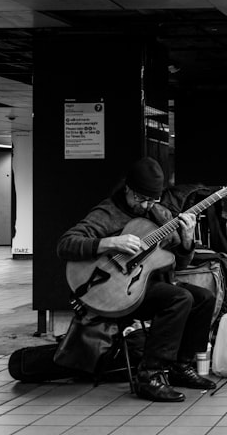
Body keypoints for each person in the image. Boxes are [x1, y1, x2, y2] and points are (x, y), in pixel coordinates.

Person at [56, 157, 217, 402]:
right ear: (128, 189)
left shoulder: (160, 214)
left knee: (204, 297)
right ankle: (149, 377)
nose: (146, 206)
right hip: (116, 291)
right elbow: (65, 245)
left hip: (145, 284)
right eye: (141, 199)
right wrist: (109, 242)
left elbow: (178, 263)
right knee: (179, 298)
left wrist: (186, 240)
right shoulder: (107, 213)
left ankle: (180, 367)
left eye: (152, 199)